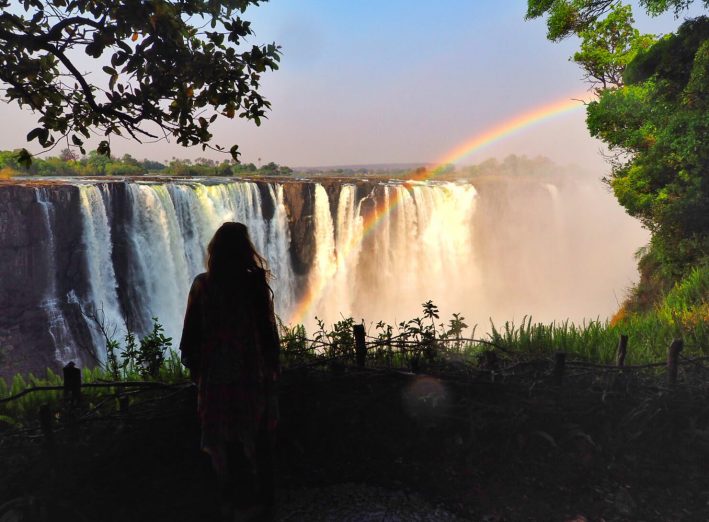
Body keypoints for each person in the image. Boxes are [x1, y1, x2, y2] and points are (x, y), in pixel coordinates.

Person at [179, 222, 280, 521]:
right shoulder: (254, 287)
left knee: (220, 447)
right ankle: (259, 507)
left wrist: (199, 373)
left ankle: (229, 506)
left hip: (215, 384)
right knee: (254, 444)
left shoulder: (202, 286)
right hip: (252, 381)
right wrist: (272, 378)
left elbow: (190, 339)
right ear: (245, 252)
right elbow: (268, 339)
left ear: (214, 251)